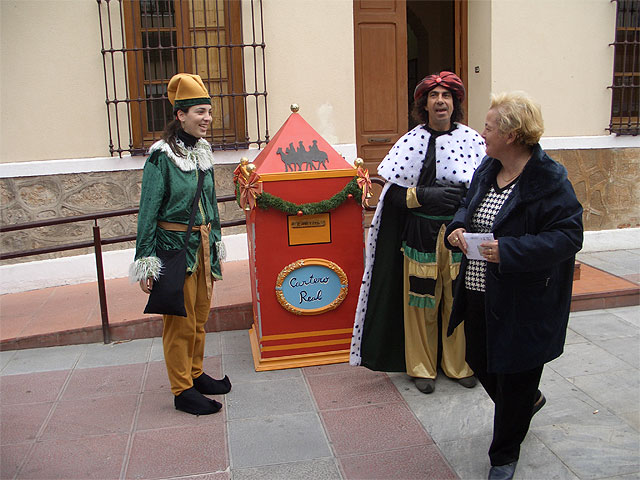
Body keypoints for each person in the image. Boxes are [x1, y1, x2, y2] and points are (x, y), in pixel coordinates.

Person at [445, 91, 583, 480]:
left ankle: (503, 457)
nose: (482, 133)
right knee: (479, 359)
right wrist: (456, 229)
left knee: (515, 376)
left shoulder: (548, 180)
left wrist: (511, 251)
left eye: (489, 127)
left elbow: (568, 236)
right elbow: (466, 208)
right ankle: (527, 403)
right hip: (477, 290)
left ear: (512, 134)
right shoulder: (487, 170)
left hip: (526, 301)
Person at [350, 71, 486, 394]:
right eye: (434, 96)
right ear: (424, 104)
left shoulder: (473, 141)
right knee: (421, 302)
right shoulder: (409, 143)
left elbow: (481, 188)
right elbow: (392, 195)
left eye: (447, 96)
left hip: (458, 235)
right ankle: (422, 367)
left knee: (457, 300)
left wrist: (463, 210)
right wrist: (424, 196)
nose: (441, 101)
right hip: (419, 236)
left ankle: (458, 364)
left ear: (455, 103)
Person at [130, 73, 231, 415]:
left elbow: (210, 203)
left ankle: (196, 373)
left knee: (200, 317)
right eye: (200, 112)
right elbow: (148, 211)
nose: (208, 119)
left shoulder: (203, 152)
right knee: (179, 322)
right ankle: (182, 389)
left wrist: (215, 243)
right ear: (180, 116)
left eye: (209, 112)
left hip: (202, 247)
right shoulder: (161, 157)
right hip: (175, 250)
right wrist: (146, 260)